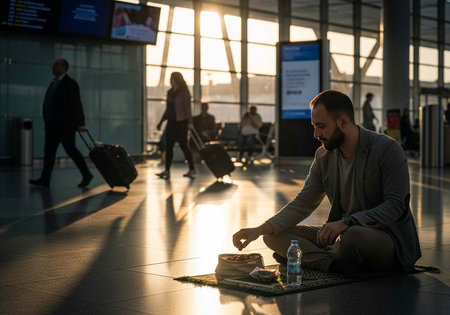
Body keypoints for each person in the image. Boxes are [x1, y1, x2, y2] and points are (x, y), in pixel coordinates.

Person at [232, 89, 421, 277]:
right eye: (314, 126)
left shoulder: (387, 149)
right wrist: (258, 229)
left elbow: (396, 206)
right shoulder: (323, 156)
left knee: (353, 237)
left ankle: (310, 257)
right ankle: (332, 264)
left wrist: (347, 222)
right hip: (340, 233)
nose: (315, 134)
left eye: (321, 126)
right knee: (272, 235)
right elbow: (303, 203)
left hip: (383, 236)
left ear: (343, 121)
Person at [29, 58, 93, 188]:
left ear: (64, 67)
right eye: (54, 65)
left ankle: (86, 174)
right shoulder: (54, 83)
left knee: (71, 150)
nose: (54, 67)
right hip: (52, 125)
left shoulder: (70, 83)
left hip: (65, 125)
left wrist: (80, 123)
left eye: (56, 65)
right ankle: (45, 179)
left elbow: (76, 104)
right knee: (49, 152)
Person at [156, 72, 196, 180]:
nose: (170, 80)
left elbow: (188, 109)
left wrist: (190, 123)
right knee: (169, 147)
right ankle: (167, 170)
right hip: (171, 123)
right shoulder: (170, 92)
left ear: (176, 80)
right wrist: (161, 122)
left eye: (171, 78)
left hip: (181, 123)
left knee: (184, 146)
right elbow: (168, 109)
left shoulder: (184, 93)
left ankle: (192, 168)